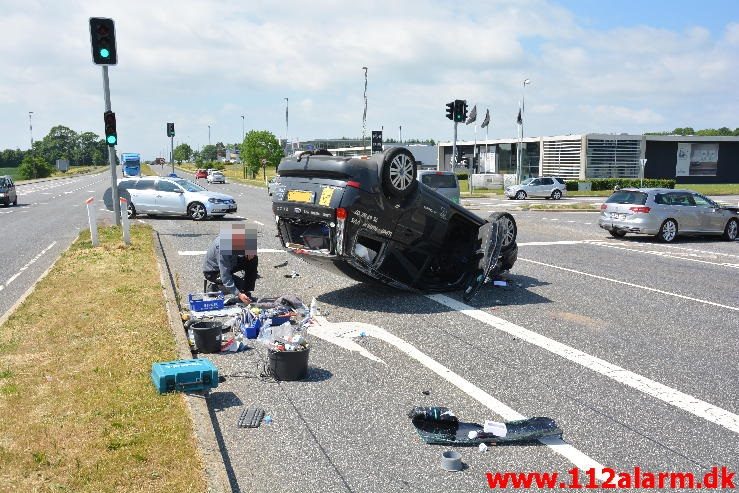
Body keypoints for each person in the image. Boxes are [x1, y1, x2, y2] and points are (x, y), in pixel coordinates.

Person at [202, 224, 258, 304]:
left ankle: (246, 293)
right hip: (213, 271)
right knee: (239, 285)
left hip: (230, 263)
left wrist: (250, 251)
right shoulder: (222, 247)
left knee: (253, 258)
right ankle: (214, 289)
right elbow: (225, 275)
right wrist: (238, 294)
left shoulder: (233, 237)